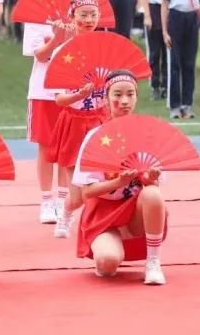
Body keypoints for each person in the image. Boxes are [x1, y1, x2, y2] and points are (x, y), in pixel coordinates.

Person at [74, 70, 167, 285]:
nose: (124, 101)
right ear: (106, 99)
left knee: (153, 193)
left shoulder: (148, 134)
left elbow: (155, 187)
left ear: (136, 97)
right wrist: (118, 183)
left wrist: (150, 178)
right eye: (117, 95)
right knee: (108, 264)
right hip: (103, 214)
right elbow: (86, 192)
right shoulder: (95, 137)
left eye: (130, 94)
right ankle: (107, 250)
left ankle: (154, 263)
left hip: (134, 210)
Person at [43, 0, 109, 238]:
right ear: (73, 17)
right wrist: (79, 95)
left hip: (101, 121)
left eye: (93, 14)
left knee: (103, 185)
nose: (89, 19)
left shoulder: (107, 48)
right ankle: (67, 211)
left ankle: (99, 227)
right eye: (83, 15)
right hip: (74, 122)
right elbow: (59, 99)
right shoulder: (62, 52)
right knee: (79, 194)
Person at [24, 0, 75, 226]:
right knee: (46, 147)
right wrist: (57, 38)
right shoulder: (35, 12)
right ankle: (46, 200)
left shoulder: (81, 11)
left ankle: (64, 200)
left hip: (72, 89)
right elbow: (40, 55)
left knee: (68, 147)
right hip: (44, 89)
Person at [162, 0, 200, 119]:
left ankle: (187, 105)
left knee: (189, 64)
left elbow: (199, 6)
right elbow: (164, 7)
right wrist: (165, 32)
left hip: (191, 20)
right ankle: (174, 105)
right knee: (175, 64)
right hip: (176, 19)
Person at [138, 0, 173, 101]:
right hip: (154, 8)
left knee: (169, 50)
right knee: (155, 51)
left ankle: (167, 85)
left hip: (169, 10)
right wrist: (147, 14)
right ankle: (155, 85)